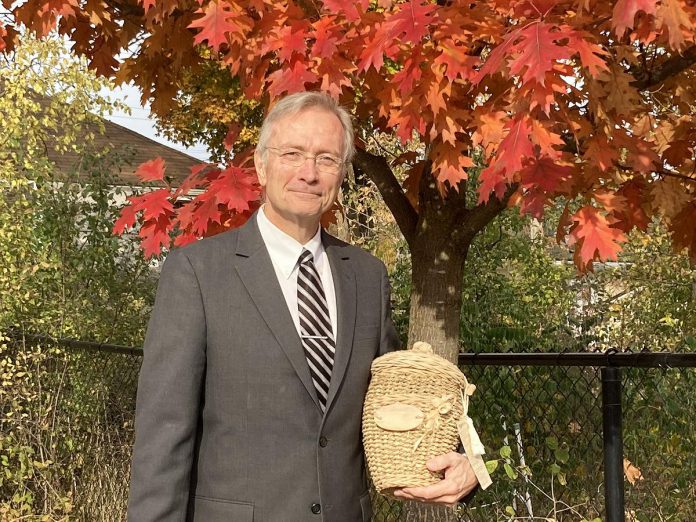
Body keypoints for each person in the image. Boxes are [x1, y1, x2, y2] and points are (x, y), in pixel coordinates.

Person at [127, 91, 478, 522]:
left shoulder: (366, 277)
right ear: (261, 164)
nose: (309, 173)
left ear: (341, 174)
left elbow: (402, 395)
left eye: (326, 159)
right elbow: (164, 436)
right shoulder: (198, 273)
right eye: (292, 153)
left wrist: (465, 462)